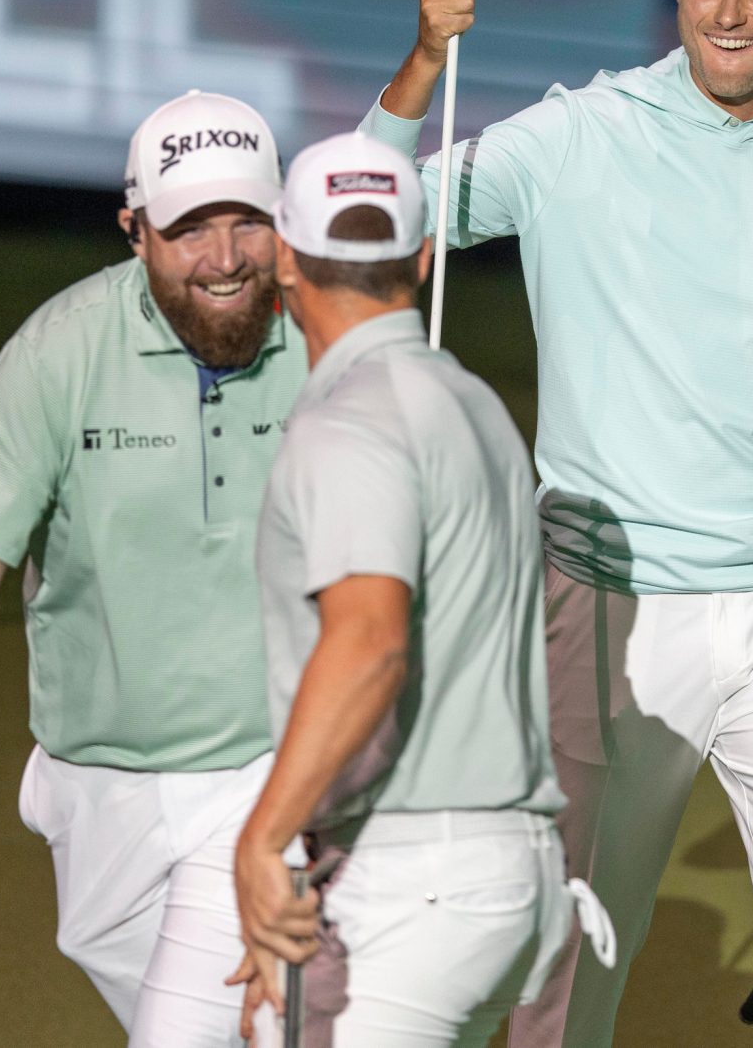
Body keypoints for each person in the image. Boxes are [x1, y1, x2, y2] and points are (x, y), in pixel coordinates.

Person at [360, 0, 753, 1048]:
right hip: (608, 609)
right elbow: (365, 222)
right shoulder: (579, 136)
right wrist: (421, 63)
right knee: (569, 948)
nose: (727, 11)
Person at [0, 91, 308, 1047]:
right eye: (191, 227)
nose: (226, 257)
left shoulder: (331, 335)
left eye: (248, 222)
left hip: (268, 774)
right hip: (95, 789)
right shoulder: (60, 352)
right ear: (135, 230)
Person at [230, 132, 611, 1048]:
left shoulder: (348, 425)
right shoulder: (474, 404)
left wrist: (260, 840)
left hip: (413, 886)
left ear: (284, 254)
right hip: (510, 882)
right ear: (424, 253)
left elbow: (370, 643)